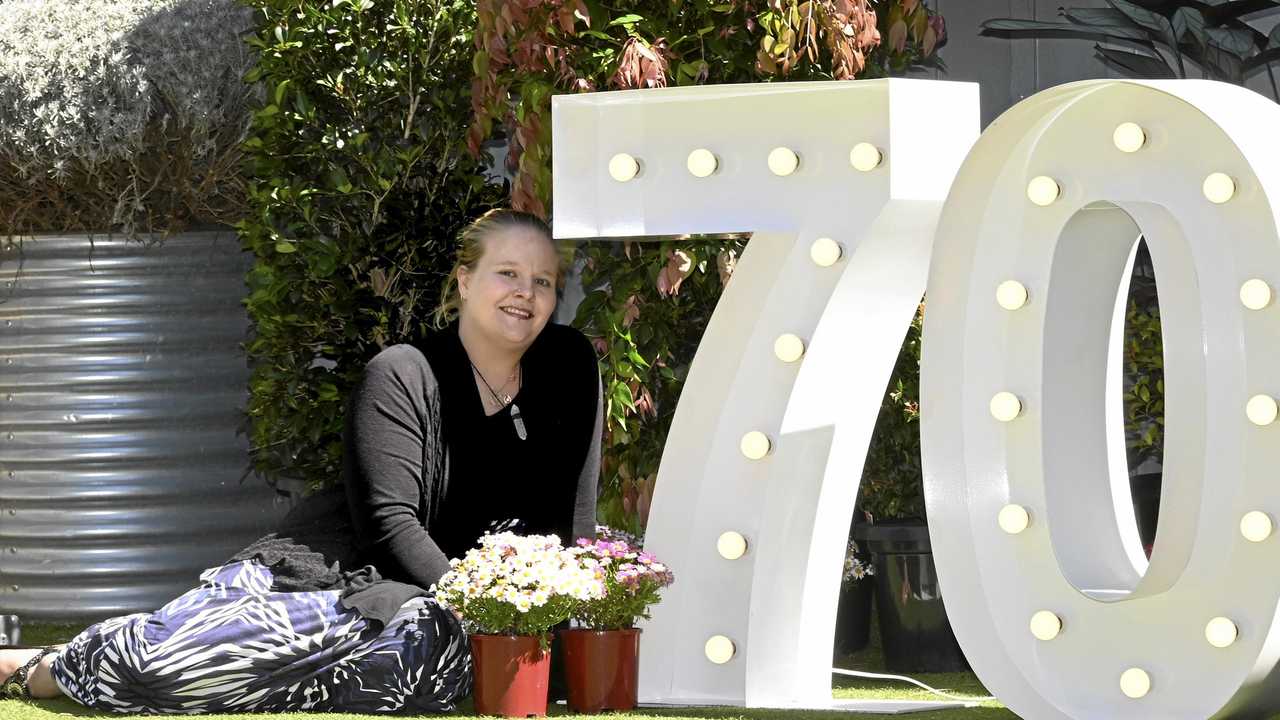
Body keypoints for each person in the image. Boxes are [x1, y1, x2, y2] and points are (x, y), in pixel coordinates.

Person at [0, 208, 602, 713]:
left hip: (433, 611)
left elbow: (573, 516)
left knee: (425, 662)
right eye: (507, 273)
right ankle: (45, 665)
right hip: (331, 579)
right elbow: (388, 527)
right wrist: (487, 609)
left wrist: (562, 630)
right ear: (465, 281)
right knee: (182, 662)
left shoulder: (570, 368)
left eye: (544, 280)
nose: (526, 292)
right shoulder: (402, 373)